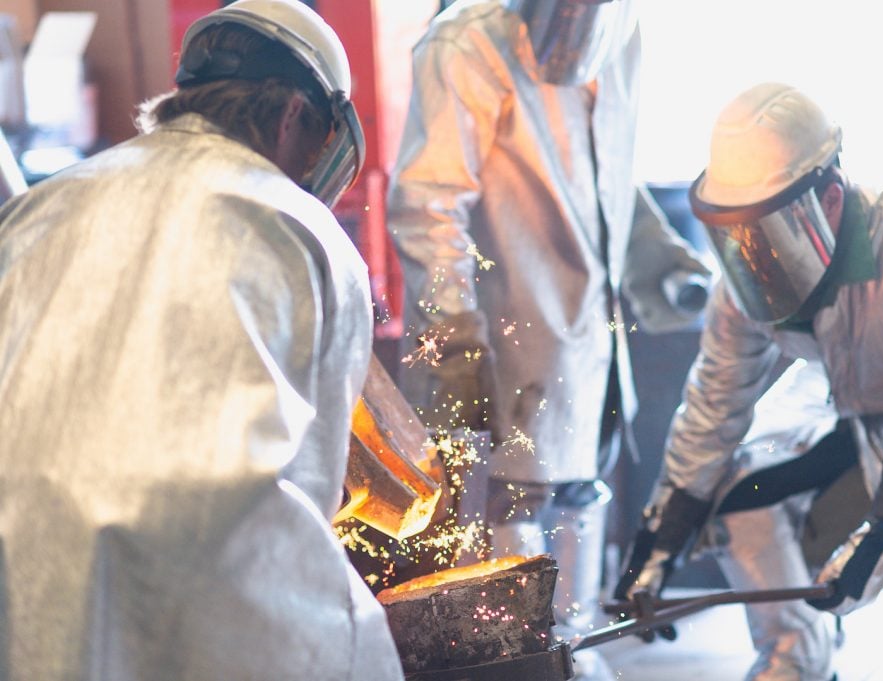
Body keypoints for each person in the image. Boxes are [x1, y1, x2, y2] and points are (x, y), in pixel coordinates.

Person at [0, 1, 404, 679]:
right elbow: (316, 482)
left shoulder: (45, 202)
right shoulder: (303, 228)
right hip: (209, 609)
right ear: (292, 119)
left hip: (24, 582)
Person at [615, 81, 883, 680]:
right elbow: (715, 404)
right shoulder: (748, 280)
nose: (753, 254)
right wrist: (661, 536)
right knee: (740, 491)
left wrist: (879, 530)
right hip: (862, 387)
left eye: (766, 231)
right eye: (736, 234)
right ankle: (798, 656)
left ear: (829, 198)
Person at [387, 0, 710, 663]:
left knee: (581, 500)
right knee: (508, 549)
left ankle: (573, 659)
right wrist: (453, 344)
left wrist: (658, 257)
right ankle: (531, 668)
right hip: (500, 351)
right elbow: (430, 208)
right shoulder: (465, 46)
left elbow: (605, 177)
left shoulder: (621, 31)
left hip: (589, 342)